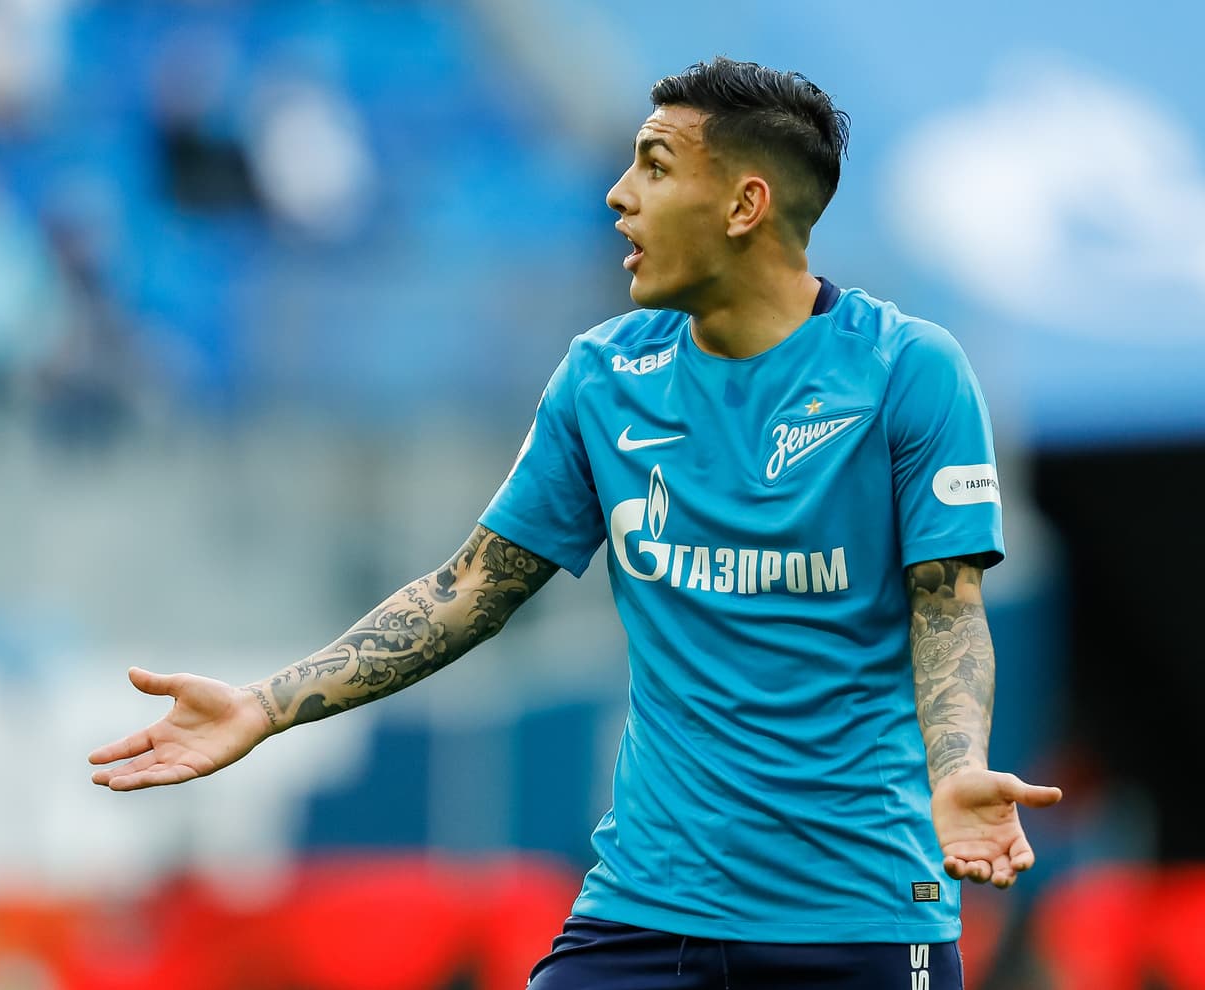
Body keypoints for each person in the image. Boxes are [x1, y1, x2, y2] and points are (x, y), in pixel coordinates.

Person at [90, 57, 1062, 988]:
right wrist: (265, 706)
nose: (616, 195)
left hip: (856, 914)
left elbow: (947, 605)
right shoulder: (603, 377)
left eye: (652, 165)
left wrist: (957, 768)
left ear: (743, 205)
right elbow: (467, 590)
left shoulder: (907, 371)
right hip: (649, 909)